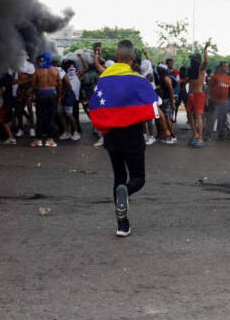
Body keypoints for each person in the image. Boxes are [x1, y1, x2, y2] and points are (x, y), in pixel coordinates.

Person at [88, 40, 158, 238]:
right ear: (132, 59)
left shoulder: (103, 79)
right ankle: (126, 191)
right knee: (137, 179)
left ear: (117, 58)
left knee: (119, 177)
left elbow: (94, 106)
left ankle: (122, 224)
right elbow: (153, 109)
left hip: (111, 137)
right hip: (133, 136)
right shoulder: (139, 80)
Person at [31, 53, 61, 148]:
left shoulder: (38, 71)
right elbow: (59, 84)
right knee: (51, 117)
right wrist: (59, 96)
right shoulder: (55, 70)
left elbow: (33, 84)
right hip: (52, 94)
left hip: (41, 94)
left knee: (40, 117)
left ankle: (38, 140)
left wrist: (38, 90)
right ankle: (50, 140)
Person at [186, 41, 210, 147]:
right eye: (192, 58)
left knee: (198, 116)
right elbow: (188, 80)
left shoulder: (201, 69)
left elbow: (206, 61)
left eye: (194, 58)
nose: (192, 60)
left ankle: (200, 136)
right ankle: (195, 134)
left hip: (198, 95)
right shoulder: (191, 70)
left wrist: (205, 49)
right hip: (190, 95)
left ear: (197, 60)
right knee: (189, 115)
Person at [207, 62, 230, 140]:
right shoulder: (215, 77)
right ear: (220, 67)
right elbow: (209, 88)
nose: (226, 68)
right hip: (214, 101)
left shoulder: (229, 78)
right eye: (224, 66)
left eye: (227, 66)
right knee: (212, 118)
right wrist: (207, 98)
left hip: (224, 102)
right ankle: (209, 134)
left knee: (222, 119)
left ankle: (221, 134)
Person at [0, 70, 17, 146]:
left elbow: (2, 89)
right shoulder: (8, 76)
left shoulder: (1, 77)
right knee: (4, 121)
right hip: (8, 101)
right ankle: (11, 138)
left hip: (3, 101)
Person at [60, 61, 82, 141]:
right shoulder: (63, 75)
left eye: (73, 67)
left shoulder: (77, 75)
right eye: (70, 67)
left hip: (72, 98)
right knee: (62, 115)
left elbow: (68, 87)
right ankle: (67, 132)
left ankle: (76, 132)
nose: (71, 69)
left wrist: (81, 59)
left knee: (71, 115)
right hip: (64, 97)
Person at [15, 57, 36, 138]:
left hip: (28, 90)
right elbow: (16, 79)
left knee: (30, 109)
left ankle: (32, 128)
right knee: (19, 110)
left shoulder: (30, 66)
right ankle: (20, 128)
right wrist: (18, 82)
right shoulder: (17, 65)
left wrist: (23, 82)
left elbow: (33, 78)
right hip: (20, 91)